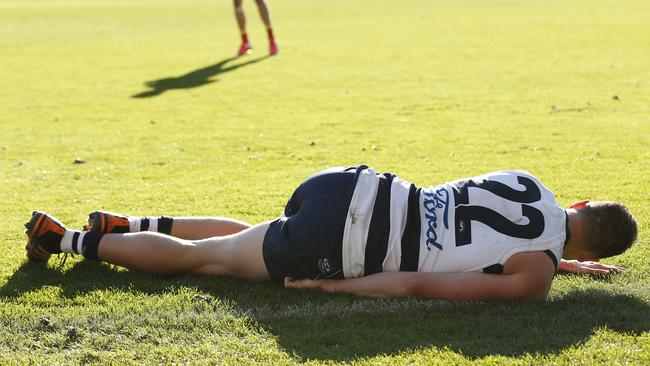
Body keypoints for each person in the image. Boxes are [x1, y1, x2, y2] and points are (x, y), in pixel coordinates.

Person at [23, 165, 637, 301]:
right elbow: (423, 281)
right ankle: (65, 240)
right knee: (207, 261)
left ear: (580, 203)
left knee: (251, 237)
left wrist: (566, 263)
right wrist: (337, 289)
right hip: (351, 242)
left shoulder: (532, 183)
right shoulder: (535, 275)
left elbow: (467, 225)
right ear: (588, 249)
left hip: (354, 185)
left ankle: (122, 227)